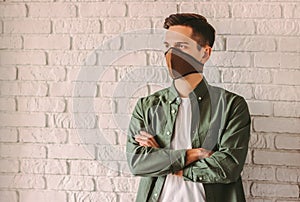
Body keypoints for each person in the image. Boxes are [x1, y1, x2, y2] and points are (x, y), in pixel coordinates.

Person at [126, 13, 251, 202]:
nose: (171, 55)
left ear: (205, 53)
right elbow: (137, 163)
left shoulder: (231, 106)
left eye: (181, 46)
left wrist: (164, 159)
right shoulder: (147, 106)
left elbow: (228, 167)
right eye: (168, 47)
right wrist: (194, 154)